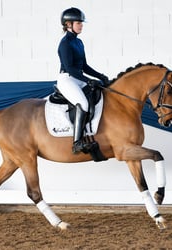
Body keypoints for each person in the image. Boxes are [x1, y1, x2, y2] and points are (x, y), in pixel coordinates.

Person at [57, 7, 109, 154]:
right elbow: (70, 68)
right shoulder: (65, 43)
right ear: (68, 24)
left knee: (100, 92)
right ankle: (77, 143)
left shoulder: (79, 43)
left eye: (81, 23)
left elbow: (84, 66)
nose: (81, 25)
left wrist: (100, 76)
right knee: (83, 103)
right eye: (78, 23)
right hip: (67, 79)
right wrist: (88, 80)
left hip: (78, 78)